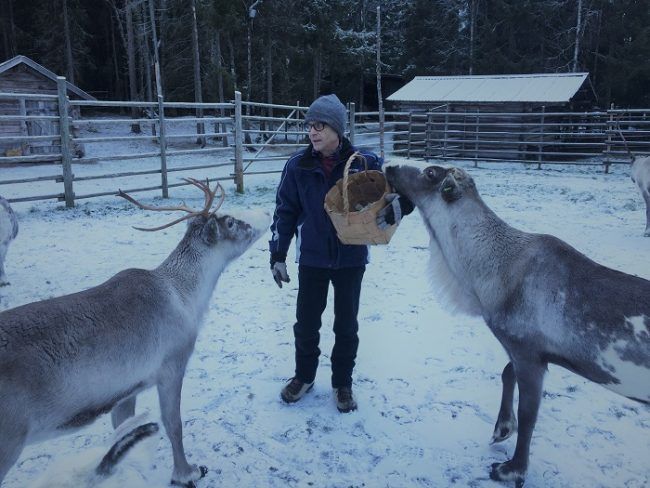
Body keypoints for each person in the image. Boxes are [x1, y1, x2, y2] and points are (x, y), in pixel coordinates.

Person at [269, 94, 413, 413]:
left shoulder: (365, 162)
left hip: (350, 259)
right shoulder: (298, 166)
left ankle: (342, 383)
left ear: (337, 128)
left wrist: (401, 206)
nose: (312, 131)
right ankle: (304, 377)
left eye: (319, 125)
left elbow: (401, 191)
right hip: (313, 258)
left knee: (346, 325)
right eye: (309, 125)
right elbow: (285, 212)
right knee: (306, 324)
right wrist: (278, 254)